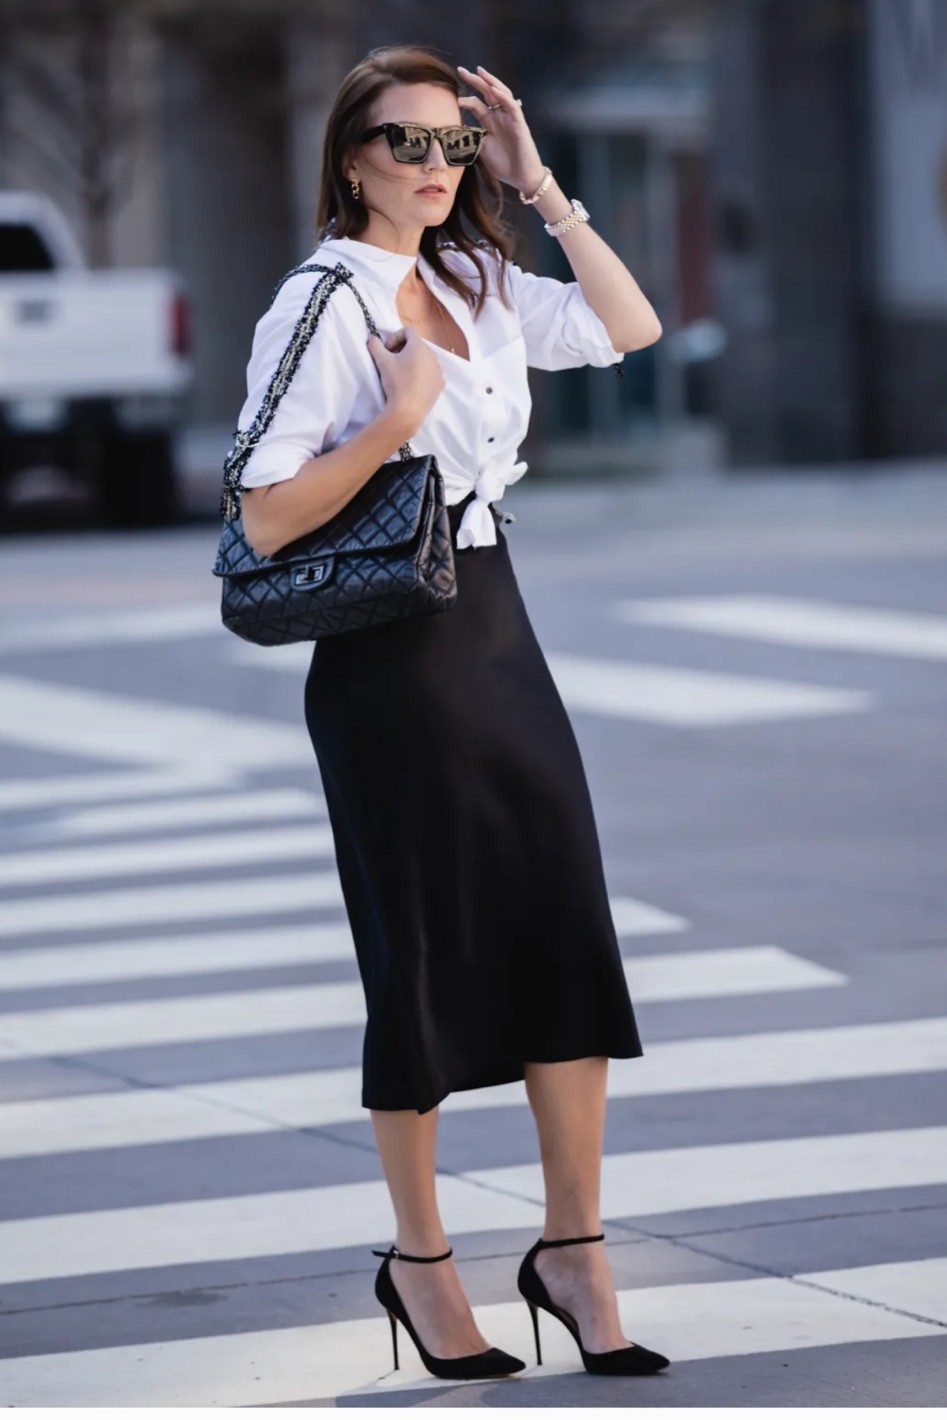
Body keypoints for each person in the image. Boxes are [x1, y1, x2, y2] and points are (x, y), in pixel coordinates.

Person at [232, 43, 668, 1383]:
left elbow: (625, 330)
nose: (433, 167)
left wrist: (548, 192)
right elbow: (260, 508)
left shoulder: (478, 277)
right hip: (389, 652)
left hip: (494, 620)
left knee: (562, 922)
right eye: (405, 142)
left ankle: (572, 1250)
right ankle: (422, 1262)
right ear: (352, 156)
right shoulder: (321, 298)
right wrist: (393, 418)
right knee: (417, 950)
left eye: (452, 144)